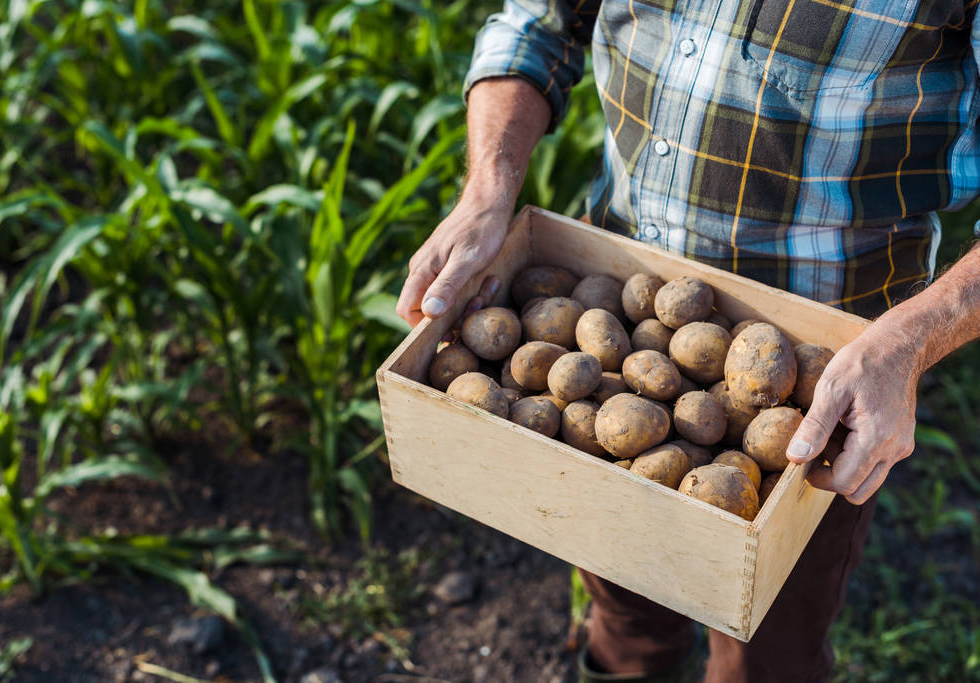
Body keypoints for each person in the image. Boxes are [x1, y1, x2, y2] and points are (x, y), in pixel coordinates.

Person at [396, 2, 980, 681]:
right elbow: (539, 22)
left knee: (770, 652)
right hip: (616, 275)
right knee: (625, 615)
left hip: (829, 376)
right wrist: (487, 189)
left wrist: (906, 344)